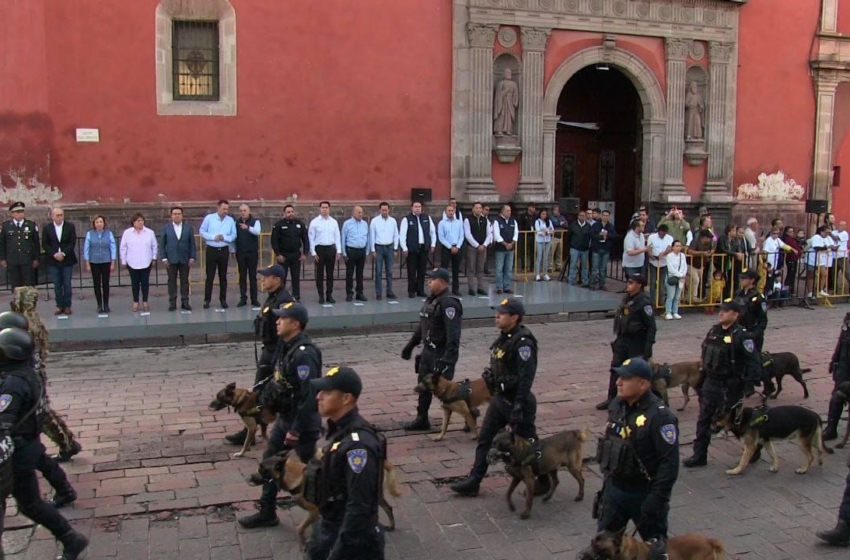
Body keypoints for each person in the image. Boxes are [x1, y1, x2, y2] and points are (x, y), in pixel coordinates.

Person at [0, 327, 89, 560]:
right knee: (31, 504)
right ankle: (71, 538)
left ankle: (71, 538)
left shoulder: (12, 385)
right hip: (26, 448)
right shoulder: (28, 373)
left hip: (15, 456)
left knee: (30, 504)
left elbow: (4, 423)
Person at [239, 302, 322, 529]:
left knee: (314, 471)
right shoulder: (285, 347)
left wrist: (295, 429)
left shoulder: (305, 355)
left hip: (302, 424)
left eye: (282, 318)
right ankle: (267, 511)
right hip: (285, 418)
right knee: (270, 463)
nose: (277, 321)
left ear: (295, 324)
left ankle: (330, 512)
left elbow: (309, 396)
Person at [451, 298, 538, 497]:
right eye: (497, 312)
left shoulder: (524, 342)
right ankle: (475, 480)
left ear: (514, 317)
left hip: (518, 402)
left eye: (502, 313)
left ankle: (542, 478)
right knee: (485, 439)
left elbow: (526, 378)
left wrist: (518, 405)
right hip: (499, 400)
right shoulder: (504, 338)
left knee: (530, 445)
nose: (497, 316)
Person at [595, 358, 679, 559]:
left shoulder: (660, 417)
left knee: (655, 552)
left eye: (626, 378)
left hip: (643, 494)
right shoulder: (616, 405)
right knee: (602, 550)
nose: (618, 382)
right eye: (619, 377)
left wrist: (657, 499)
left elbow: (670, 463)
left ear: (643, 384)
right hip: (614, 491)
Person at [0, 310, 77, 510]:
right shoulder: (27, 344)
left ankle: (64, 485)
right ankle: (64, 488)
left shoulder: (17, 353)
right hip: (32, 406)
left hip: (25, 412)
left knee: (35, 456)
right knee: (40, 456)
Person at [308, 367, 387, 559]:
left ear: (346, 399)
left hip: (350, 540)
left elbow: (359, 507)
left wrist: (338, 552)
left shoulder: (357, 446)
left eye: (326, 393)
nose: (319, 397)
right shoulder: (339, 431)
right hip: (329, 526)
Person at [682, 300, 762, 468]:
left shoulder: (742, 335)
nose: (721, 313)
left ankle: (755, 447)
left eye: (726, 311)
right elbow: (705, 355)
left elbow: (753, 361)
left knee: (733, 421)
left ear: (735, 315)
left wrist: (749, 384)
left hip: (730, 386)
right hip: (711, 382)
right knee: (704, 419)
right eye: (721, 310)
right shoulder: (714, 331)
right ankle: (699, 454)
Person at [225, 265, 294, 446]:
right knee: (259, 393)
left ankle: (266, 430)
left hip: (276, 352)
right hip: (269, 350)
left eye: (266, 277)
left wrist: (281, 355)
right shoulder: (273, 298)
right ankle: (252, 429)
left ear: (278, 280)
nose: (262, 280)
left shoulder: (283, 300)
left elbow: (288, 328)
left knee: (266, 394)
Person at [11, 287, 81, 464]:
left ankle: (66, 444)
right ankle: (67, 443)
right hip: (33, 373)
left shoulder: (26, 323)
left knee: (40, 415)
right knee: (41, 413)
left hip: (30, 375)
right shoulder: (31, 320)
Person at [400, 268, 462, 431]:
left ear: (442, 282)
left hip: (441, 353)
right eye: (428, 279)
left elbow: (453, 336)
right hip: (428, 352)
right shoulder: (431, 301)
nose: (428, 282)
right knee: (423, 386)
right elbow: (423, 327)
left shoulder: (449, 303)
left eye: (432, 280)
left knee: (445, 392)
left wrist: (447, 360)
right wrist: (411, 346)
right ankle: (422, 418)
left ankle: (471, 412)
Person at [596, 273, 656, 410]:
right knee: (616, 368)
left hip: (636, 342)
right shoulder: (627, 298)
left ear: (639, 285)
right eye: (628, 282)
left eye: (631, 282)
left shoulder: (644, 302)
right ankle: (612, 398)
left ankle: (638, 399)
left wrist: (648, 347)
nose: (628, 284)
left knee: (634, 372)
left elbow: (652, 327)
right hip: (623, 339)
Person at [200, 200, 237, 309]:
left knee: (223, 276)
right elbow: (202, 231)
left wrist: (224, 237)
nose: (225, 211)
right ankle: (207, 300)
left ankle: (223, 299)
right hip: (212, 249)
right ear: (218, 208)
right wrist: (213, 237)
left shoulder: (230, 220)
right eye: (223, 209)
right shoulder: (209, 218)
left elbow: (233, 235)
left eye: (227, 209)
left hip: (224, 249)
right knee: (210, 276)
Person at [41, 207, 77, 316]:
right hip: (53, 260)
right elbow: (45, 244)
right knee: (57, 284)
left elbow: (72, 242)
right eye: (58, 215)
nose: (60, 217)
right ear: (52, 216)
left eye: (61, 215)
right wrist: (54, 254)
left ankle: (67, 306)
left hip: (67, 259)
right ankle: (59, 305)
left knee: (67, 284)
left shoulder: (70, 227)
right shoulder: (47, 228)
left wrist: (63, 253)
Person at [119, 213, 158, 313]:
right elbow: (123, 247)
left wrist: (154, 258)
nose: (140, 222)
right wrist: (124, 260)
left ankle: (145, 301)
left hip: (146, 261)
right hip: (132, 262)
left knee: (145, 282)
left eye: (142, 220)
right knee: (134, 283)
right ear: (133, 222)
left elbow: (154, 246)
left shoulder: (150, 232)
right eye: (138, 221)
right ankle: (135, 301)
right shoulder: (127, 233)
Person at [160, 206, 196, 312]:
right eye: (175, 214)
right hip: (171, 259)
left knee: (184, 281)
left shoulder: (188, 228)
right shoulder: (166, 228)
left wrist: (192, 257)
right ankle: (172, 302)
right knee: (172, 281)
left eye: (179, 214)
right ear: (171, 216)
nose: (177, 215)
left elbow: (192, 244)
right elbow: (162, 244)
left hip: (185, 258)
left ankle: (185, 301)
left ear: (182, 215)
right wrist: (164, 258)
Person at [270, 204, 309, 302]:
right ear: (284, 213)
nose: (290, 214)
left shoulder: (300, 224)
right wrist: (277, 254)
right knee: (282, 278)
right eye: (288, 212)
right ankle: (280, 297)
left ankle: (296, 296)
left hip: (296, 255)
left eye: (292, 212)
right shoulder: (278, 225)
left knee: (295, 277)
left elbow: (305, 239)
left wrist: (305, 253)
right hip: (283, 255)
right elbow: (274, 240)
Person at [399, 201, 436, 298]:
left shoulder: (427, 218)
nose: (417, 208)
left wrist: (433, 244)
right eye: (415, 206)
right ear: (412, 208)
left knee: (422, 271)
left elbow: (432, 232)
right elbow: (402, 235)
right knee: (411, 271)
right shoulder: (406, 219)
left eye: (419, 206)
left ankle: (420, 290)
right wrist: (404, 248)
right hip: (411, 249)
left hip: (424, 248)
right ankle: (411, 291)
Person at [0, 201, 40, 289]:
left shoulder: (31, 225)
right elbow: (2, 244)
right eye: (18, 212)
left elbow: (36, 243)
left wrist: (36, 258)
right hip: (12, 260)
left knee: (28, 285)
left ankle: (27, 302)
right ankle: (17, 302)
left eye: (22, 212)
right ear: (12, 214)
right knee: (15, 285)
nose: (20, 214)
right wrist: (2, 259)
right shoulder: (6, 226)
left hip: (27, 260)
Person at [309, 201, 342, 304]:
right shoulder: (314, 222)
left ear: (329, 209)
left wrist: (338, 250)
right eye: (323, 207)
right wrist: (313, 252)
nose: (325, 209)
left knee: (330, 274)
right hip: (320, 249)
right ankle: (321, 295)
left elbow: (337, 237)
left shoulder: (334, 222)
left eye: (326, 207)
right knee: (319, 274)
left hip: (331, 249)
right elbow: (311, 238)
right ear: (320, 209)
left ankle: (329, 295)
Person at [824, 312, 850, 441]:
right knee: (837, 397)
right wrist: (834, 360)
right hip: (844, 366)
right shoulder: (848, 320)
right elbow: (841, 342)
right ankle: (831, 429)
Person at [83, 215, 117, 314]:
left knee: (106, 284)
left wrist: (113, 262)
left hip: (106, 261)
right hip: (94, 262)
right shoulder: (90, 234)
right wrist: (87, 263)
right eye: (97, 222)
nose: (99, 224)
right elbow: (86, 249)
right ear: (94, 224)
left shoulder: (109, 233)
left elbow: (113, 247)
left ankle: (106, 305)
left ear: (104, 223)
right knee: (97, 284)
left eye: (101, 222)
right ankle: (99, 305)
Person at [369, 202, 399, 300]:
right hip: (379, 247)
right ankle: (378, 292)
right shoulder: (374, 221)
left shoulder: (393, 221)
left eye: (386, 210)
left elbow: (396, 235)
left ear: (389, 210)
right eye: (383, 210)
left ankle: (389, 291)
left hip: (390, 247)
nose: (384, 212)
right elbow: (372, 236)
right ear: (379, 210)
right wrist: (373, 250)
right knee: (378, 271)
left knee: (389, 271)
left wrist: (395, 248)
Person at [734, 269, 768, 353]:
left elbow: (763, 319)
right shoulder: (738, 294)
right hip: (740, 331)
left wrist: (755, 334)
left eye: (744, 278)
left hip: (752, 331)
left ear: (752, 280)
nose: (741, 280)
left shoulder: (758, 297)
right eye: (741, 278)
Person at [235, 204, 262, 308]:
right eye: (241, 210)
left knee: (252, 276)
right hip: (240, 252)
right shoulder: (237, 222)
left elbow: (257, 232)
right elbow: (234, 236)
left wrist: (248, 228)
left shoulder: (256, 221)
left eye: (244, 210)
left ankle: (254, 299)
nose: (243, 212)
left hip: (252, 252)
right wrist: (233, 250)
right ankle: (243, 298)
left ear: (249, 211)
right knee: (242, 276)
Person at [341, 205, 370, 302]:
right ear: (353, 213)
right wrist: (344, 253)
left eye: (362, 212)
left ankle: (359, 293)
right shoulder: (347, 224)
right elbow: (343, 238)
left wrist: (367, 251)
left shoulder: (365, 224)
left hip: (361, 250)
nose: (361, 214)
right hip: (351, 251)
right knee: (349, 273)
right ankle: (349, 293)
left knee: (360, 273)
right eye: (359, 212)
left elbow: (368, 237)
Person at [464, 202, 491, 297]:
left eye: (480, 208)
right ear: (473, 209)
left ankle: (480, 287)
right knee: (471, 268)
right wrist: (476, 245)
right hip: (472, 247)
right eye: (476, 208)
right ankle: (471, 288)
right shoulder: (468, 220)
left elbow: (489, 234)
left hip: (483, 247)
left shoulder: (486, 220)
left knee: (481, 268)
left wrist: (484, 245)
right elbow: (468, 235)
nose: (478, 209)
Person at [438, 205, 464, 296]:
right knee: (444, 270)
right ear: (445, 212)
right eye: (449, 210)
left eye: (452, 211)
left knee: (456, 270)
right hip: (447, 248)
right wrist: (450, 247)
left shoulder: (459, 223)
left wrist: (458, 247)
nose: (451, 212)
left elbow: (461, 236)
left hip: (457, 247)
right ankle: (442, 289)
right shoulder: (442, 223)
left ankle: (455, 289)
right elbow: (441, 237)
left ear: (454, 211)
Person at [493, 204, 518, 294]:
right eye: (507, 210)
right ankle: (499, 287)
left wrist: (512, 243)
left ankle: (506, 286)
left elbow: (516, 233)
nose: (509, 212)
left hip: (510, 249)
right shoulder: (497, 221)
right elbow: (496, 235)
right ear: (502, 211)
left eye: (510, 210)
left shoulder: (513, 221)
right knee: (499, 268)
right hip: (500, 249)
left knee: (508, 268)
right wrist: (505, 244)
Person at [589, 210, 617, 291]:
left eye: (607, 215)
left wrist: (607, 235)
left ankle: (602, 284)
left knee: (603, 269)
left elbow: (614, 236)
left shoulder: (611, 226)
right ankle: (592, 284)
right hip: (597, 249)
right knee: (594, 268)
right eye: (604, 215)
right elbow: (592, 235)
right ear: (601, 216)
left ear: (609, 217)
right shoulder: (595, 225)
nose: (605, 217)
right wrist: (600, 237)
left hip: (606, 249)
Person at [646, 224, 673, 307]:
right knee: (653, 282)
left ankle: (661, 302)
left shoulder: (669, 238)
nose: (661, 235)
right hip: (653, 262)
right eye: (660, 233)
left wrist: (664, 253)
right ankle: (652, 301)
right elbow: (649, 248)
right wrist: (651, 255)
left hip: (664, 263)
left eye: (663, 234)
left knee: (662, 283)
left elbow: (669, 247)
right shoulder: (652, 237)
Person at [568, 209, 592, 286]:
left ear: (585, 217)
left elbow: (590, 236)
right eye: (580, 215)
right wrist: (571, 245)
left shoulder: (588, 226)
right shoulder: (573, 225)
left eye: (583, 216)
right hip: (574, 248)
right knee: (573, 265)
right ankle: (571, 281)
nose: (582, 217)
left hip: (584, 248)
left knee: (584, 266)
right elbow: (569, 236)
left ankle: (585, 281)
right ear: (578, 216)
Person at [664, 240, 687, 320]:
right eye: (676, 246)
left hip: (681, 278)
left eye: (679, 246)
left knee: (677, 296)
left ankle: (675, 311)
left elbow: (684, 266)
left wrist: (683, 274)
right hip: (672, 277)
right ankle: (668, 312)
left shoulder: (682, 256)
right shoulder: (669, 256)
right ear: (673, 247)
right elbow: (671, 269)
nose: (678, 248)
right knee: (671, 296)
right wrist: (679, 274)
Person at [534, 209, 554, 282]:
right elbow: (538, 231)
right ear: (540, 214)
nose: (544, 216)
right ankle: (537, 274)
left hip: (547, 240)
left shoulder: (549, 221)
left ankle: (545, 274)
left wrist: (547, 232)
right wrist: (544, 232)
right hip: (540, 241)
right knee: (539, 257)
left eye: (545, 214)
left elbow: (552, 229)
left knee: (546, 257)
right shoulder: (537, 221)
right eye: (543, 214)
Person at [549, 205, 568, 273]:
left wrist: (559, 223)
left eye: (556, 210)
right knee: (551, 253)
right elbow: (554, 223)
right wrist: (560, 223)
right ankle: (550, 266)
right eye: (554, 210)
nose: (555, 211)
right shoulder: (551, 216)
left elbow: (566, 224)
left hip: (560, 236)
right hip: (553, 236)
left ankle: (558, 266)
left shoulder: (562, 217)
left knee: (559, 253)